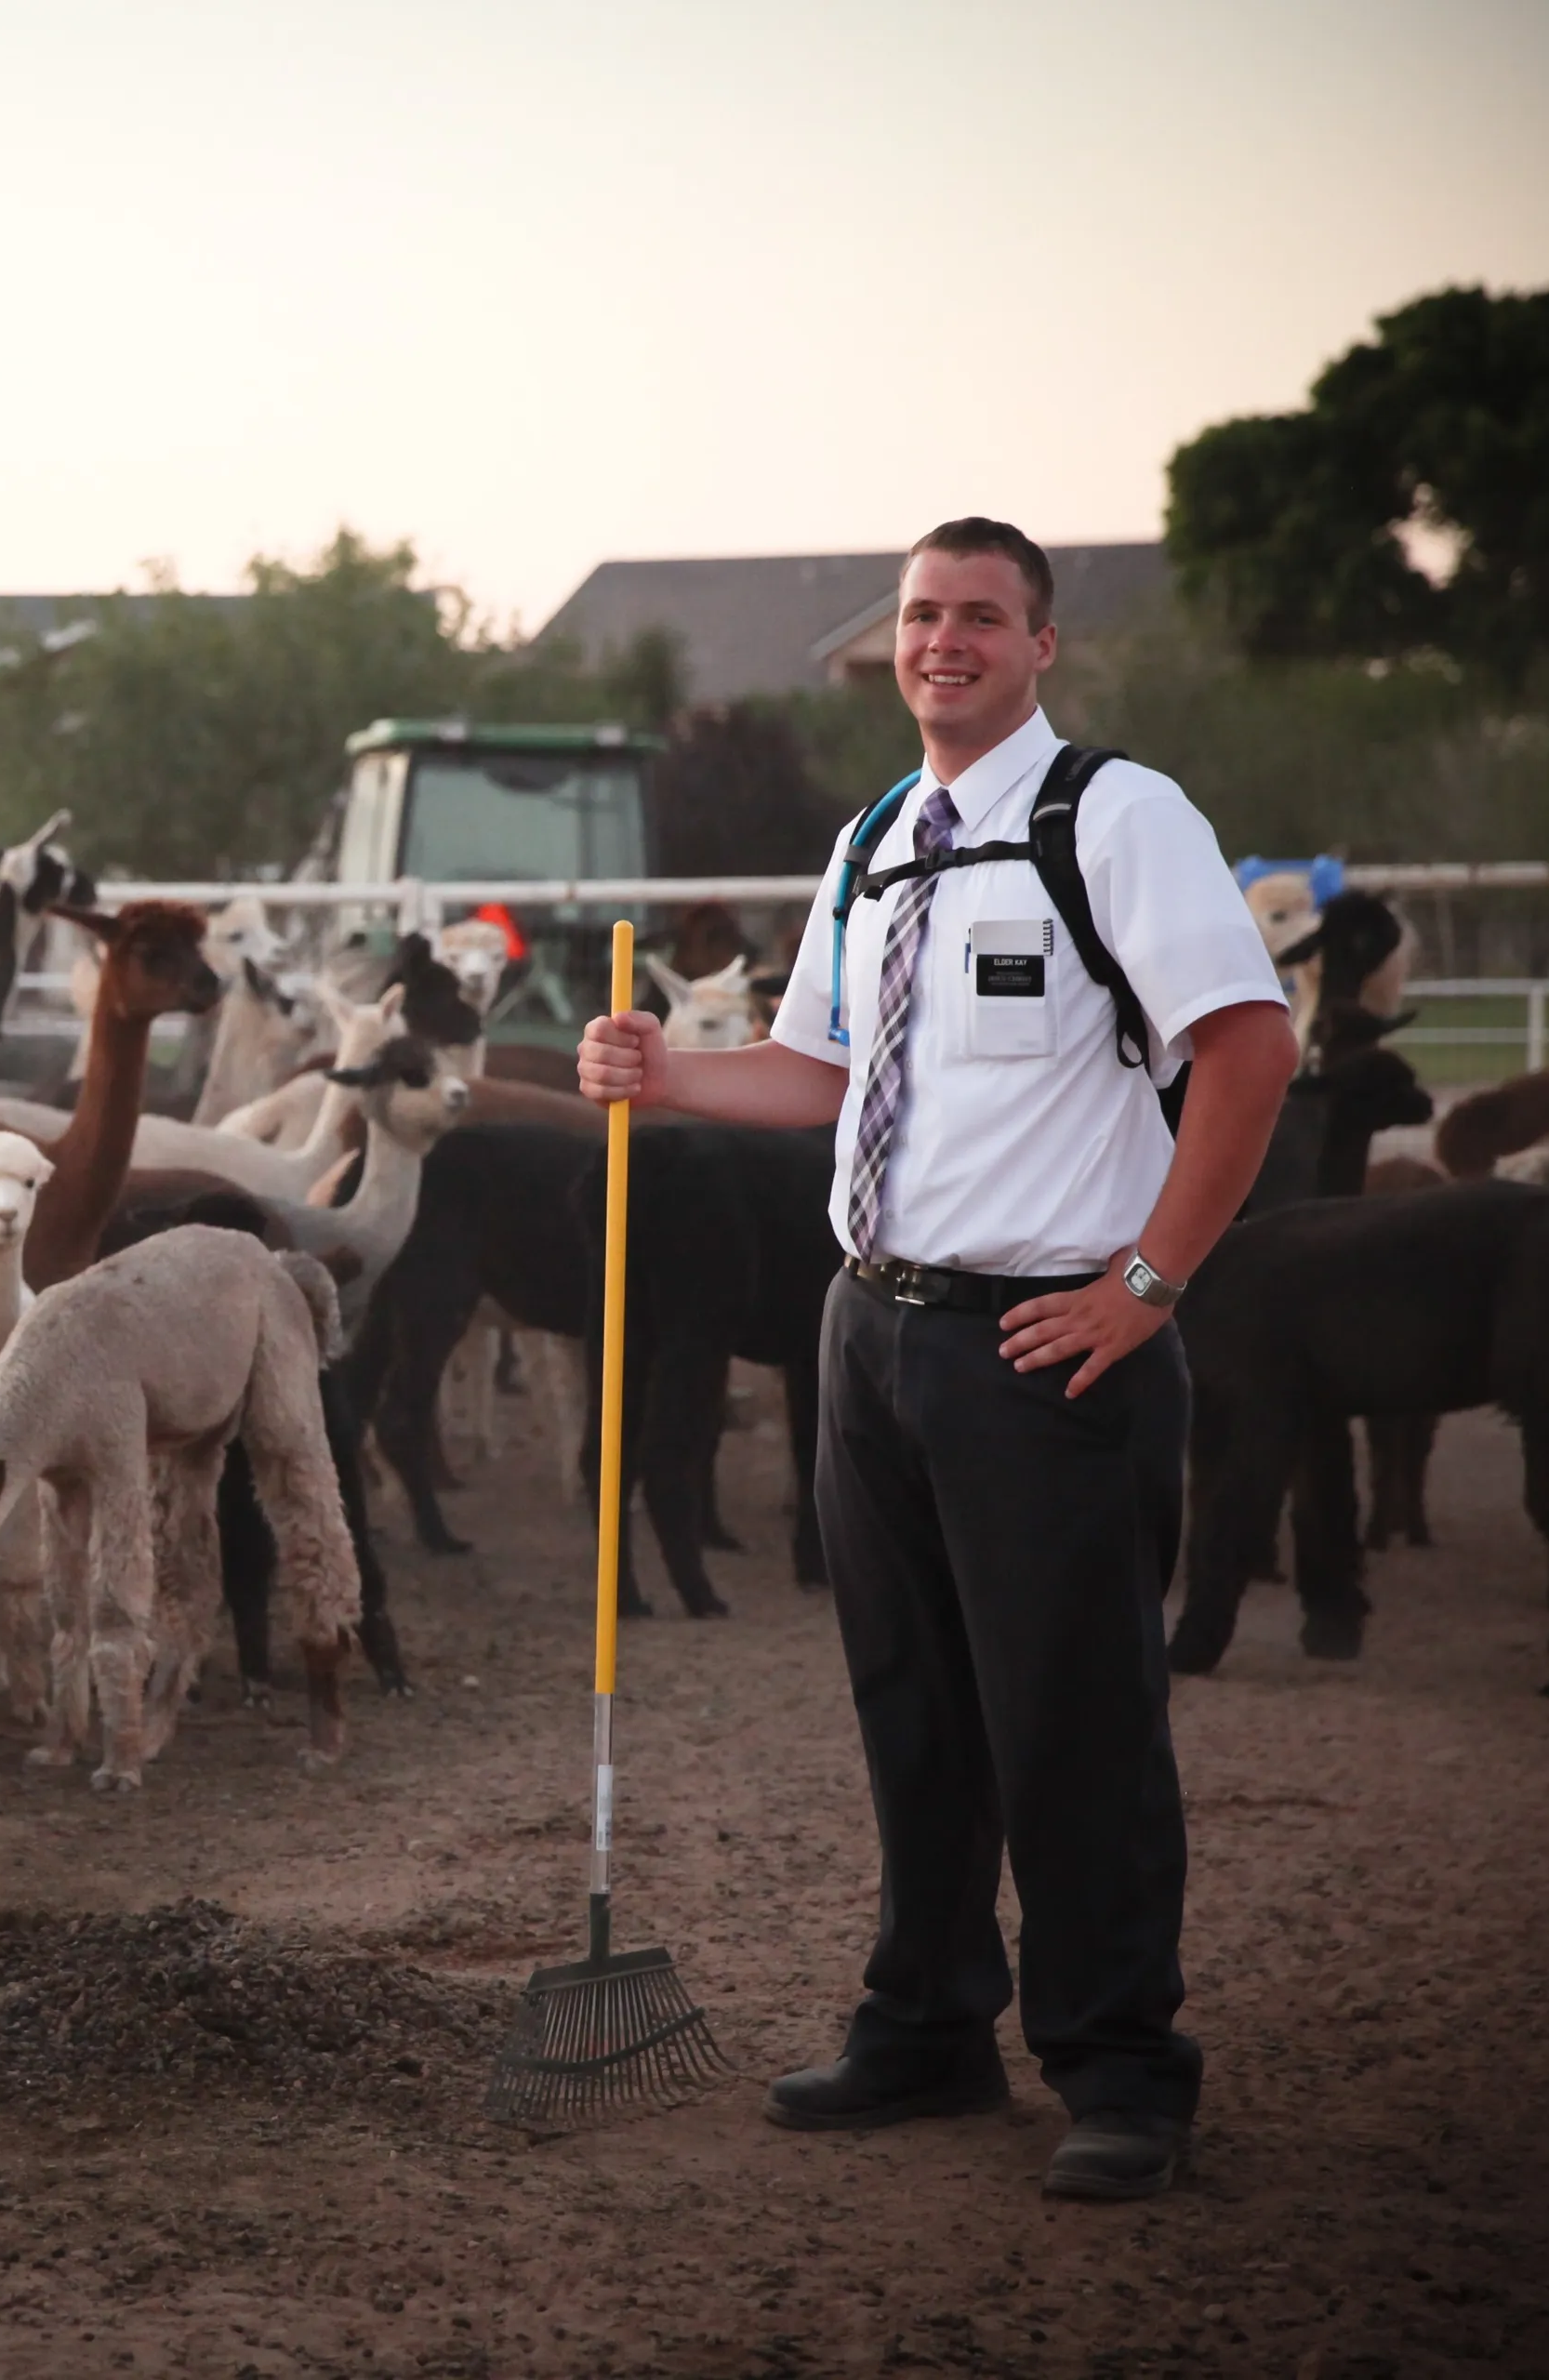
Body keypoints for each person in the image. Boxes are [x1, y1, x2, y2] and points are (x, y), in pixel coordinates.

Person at [579, 520, 1295, 2202]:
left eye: (981, 616)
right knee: (912, 1709)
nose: (943, 641)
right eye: (920, 616)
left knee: (1076, 1724)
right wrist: (664, 1076)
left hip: (1051, 1346)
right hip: (873, 1334)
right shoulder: (879, 838)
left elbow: (1249, 1051)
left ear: (1043, 645)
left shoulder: (1116, 818)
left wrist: (1149, 1279)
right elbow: (824, 1073)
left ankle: (1123, 2068)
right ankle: (929, 2027)